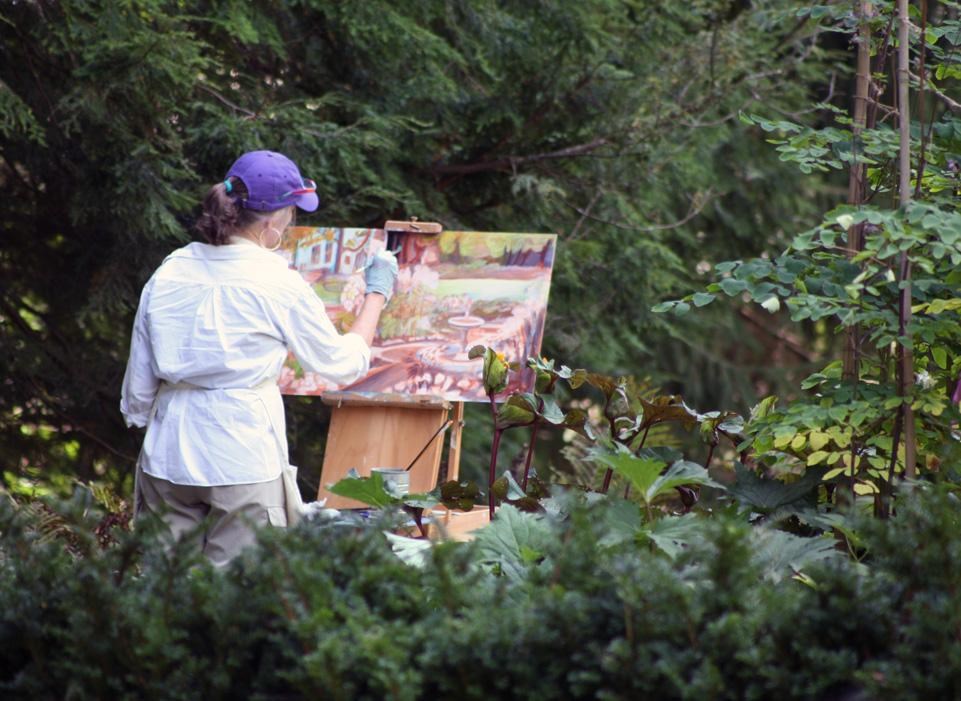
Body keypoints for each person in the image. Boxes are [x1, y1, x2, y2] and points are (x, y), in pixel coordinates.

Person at [120, 150, 398, 566]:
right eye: (292, 214)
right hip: (241, 456)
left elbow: (138, 388)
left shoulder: (170, 270)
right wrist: (377, 294)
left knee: (161, 597)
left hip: (168, 454)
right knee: (238, 599)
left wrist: (145, 418)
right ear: (272, 223)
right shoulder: (275, 281)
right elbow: (342, 364)